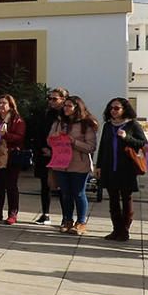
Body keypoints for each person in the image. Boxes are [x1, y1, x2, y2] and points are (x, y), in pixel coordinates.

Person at [96, 97, 147, 242]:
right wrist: (99, 165)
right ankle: (116, 229)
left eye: (117, 108)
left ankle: (124, 230)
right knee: (112, 200)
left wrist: (127, 137)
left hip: (126, 168)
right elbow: (103, 147)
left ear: (124, 109)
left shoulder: (132, 125)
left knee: (126, 199)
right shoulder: (107, 125)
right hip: (109, 167)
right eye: (111, 108)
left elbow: (143, 143)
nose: (113, 111)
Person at [48, 95, 98, 234]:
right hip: (61, 163)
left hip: (79, 164)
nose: (66, 108)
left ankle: (81, 222)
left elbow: (91, 147)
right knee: (65, 194)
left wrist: (74, 142)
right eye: (65, 105)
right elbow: (49, 141)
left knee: (79, 193)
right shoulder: (59, 122)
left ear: (77, 108)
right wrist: (55, 137)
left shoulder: (86, 124)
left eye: (69, 106)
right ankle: (67, 220)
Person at [0, 94, 26, 224]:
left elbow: (19, 137)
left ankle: (13, 214)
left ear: (11, 105)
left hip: (11, 156)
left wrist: (5, 135)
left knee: (11, 186)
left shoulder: (17, 120)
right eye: (0, 103)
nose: (1, 105)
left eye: (4, 103)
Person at [30, 87, 68, 225]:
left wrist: (55, 151)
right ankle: (45, 214)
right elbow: (38, 132)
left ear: (63, 100)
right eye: (49, 98)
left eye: (54, 99)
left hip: (62, 156)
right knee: (45, 185)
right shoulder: (45, 114)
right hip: (44, 154)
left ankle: (66, 217)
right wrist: (42, 148)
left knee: (63, 187)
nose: (51, 101)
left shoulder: (67, 116)